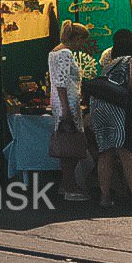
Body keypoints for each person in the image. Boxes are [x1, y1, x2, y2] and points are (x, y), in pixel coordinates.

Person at [90, 29, 132, 210]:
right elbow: (131, 87)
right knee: (127, 152)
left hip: (98, 108)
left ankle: (104, 198)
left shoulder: (109, 64)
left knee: (105, 151)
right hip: (119, 110)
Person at [48, 21, 91, 201]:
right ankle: (70, 186)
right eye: (83, 40)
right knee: (72, 145)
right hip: (68, 103)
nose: (83, 45)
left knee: (66, 144)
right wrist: (67, 108)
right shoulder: (65, 53)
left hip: (59, 102)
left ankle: (66, 183)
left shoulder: (54, 52)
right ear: (77, 38)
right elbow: (62, 81)